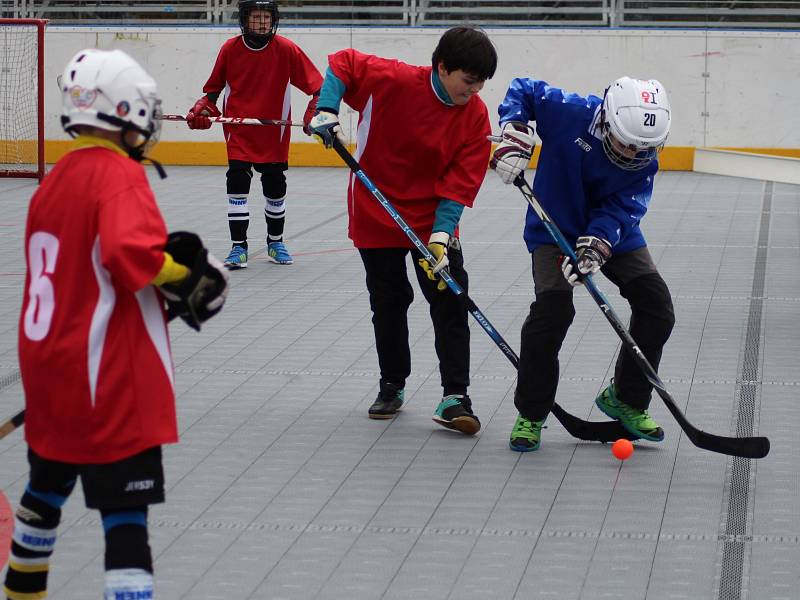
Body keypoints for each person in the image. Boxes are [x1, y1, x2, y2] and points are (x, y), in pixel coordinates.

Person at [3, 48, 228, 600]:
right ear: (121, 109)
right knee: (125, 514)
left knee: (44, 496)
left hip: (54, 373)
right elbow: (132, 255)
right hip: (109, 381)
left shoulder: (52, 182)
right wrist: (189, 275)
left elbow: (84, 275)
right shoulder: (118, 176)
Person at [308, 27, 497, 434]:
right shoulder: (391, 80)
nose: (474, 90)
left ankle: (455, 396)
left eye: (481, 83)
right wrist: (326, 108)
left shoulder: (475, 113)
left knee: (449, 300)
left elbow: (461, 180)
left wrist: (442, 237)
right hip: (377, 211)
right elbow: (343, 61)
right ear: (442, 67)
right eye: (469, 80)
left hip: (433, 221)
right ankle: (392, 383)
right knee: (389, 300)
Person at [490, 76, 675, 451]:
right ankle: (531, 413)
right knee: (553, 313)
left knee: (657, 307)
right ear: (606, 121)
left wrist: (595, 248)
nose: (634, 155)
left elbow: (623, 207)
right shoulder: (569, 111)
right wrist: (516, 131)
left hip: (611, 233)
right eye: (626, 143)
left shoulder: (642, 157)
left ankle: (626, 398)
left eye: (645, 148)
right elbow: (523, 89)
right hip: (552, 227)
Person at [186, 0, 323, 269]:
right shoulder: (230, 49)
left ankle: (276, 242)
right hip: (239, 129)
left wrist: (314, 113)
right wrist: (201, 111)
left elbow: (318, 88)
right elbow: (212, 93)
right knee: (237, 180)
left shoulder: (286, 49)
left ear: (273, 20)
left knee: (274, 184)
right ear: (244, 20)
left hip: (273, 132)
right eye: (256, 17)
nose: (261, 23)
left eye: (266, 17)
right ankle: (239, 247)